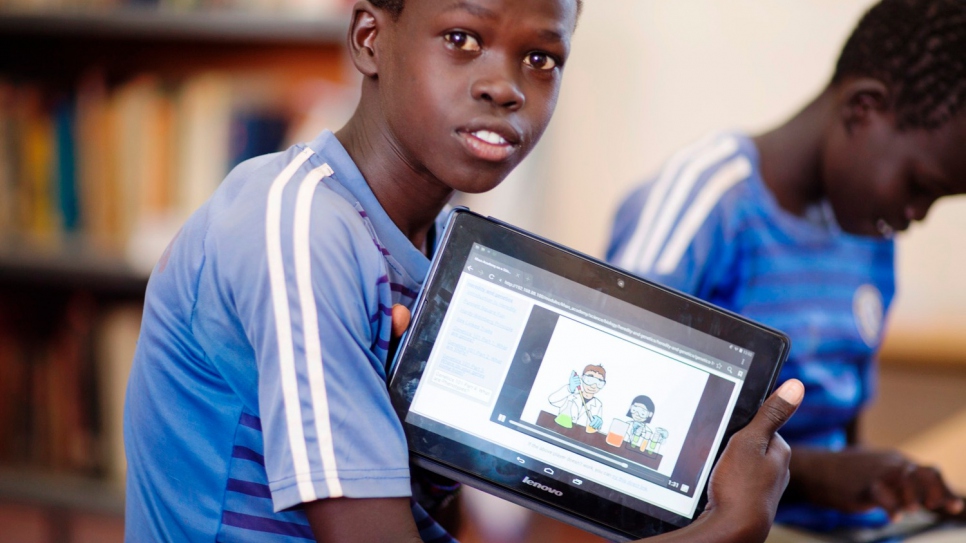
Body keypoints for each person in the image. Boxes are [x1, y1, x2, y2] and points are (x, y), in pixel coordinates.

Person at [124, 0, 803, 541]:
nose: (504, 86)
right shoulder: (301, 224)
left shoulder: (456, 252)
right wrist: (724, 530)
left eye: (540, 58)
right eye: (462, 39)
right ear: (369, 38)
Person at [607, 0, 966, 532]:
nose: (915, 216)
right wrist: (815, 475)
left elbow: (843, 421)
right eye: (918, 188)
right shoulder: (709, 201)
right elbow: (619, 415)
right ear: (863, 108)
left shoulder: (868, 226)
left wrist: (878, 480)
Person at [548, 365, 606, 430]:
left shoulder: (598, 404)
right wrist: (569, 388)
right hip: (559, 430)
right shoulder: (570, 396)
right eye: (589, 380)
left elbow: (595, 429)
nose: (593, 386)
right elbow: (552, 400)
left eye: (599, 382)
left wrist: (598, 424)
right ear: (582, 378)